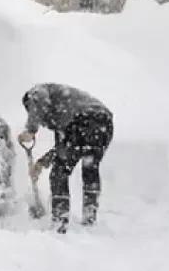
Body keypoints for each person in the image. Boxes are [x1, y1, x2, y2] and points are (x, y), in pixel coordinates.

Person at [17, 82, 114, 233]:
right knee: (90, 168)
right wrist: (41, 164)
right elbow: (62, 149)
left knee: (59, 174)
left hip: (84, 120)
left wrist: (30, 130)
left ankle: (60, 223)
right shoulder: (63, 115)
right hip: (103, 123)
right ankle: (90, 219)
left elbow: (39, 99)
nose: (41, 121)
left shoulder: (37, 92)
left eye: (35, 113)